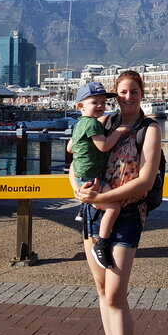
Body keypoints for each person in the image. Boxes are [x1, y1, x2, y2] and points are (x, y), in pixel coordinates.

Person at [70, 70, 161, 335]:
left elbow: (145, 181)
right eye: (122, 92)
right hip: (93, 212)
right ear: (116, 95)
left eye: (134, 91)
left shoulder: (150, 129)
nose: (128, 97)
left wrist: (103, 196)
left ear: (142, 94)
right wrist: (76, 188)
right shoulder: (104, 122)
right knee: (100, 290)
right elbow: (76, 157)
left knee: (115, 296)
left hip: (128, 214)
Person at [67, 81, 129, 269]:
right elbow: (104, 146)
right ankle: (102, 243)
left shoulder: (79, 124)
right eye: (95, 102)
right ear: (81, 106)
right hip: (91, 178)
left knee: (104, 204)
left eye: (103, 103)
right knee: (114, 207)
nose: (100, 106)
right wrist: (119, 131)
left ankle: (83, 207)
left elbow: (70, 148)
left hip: (80, 175)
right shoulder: (92, 124)